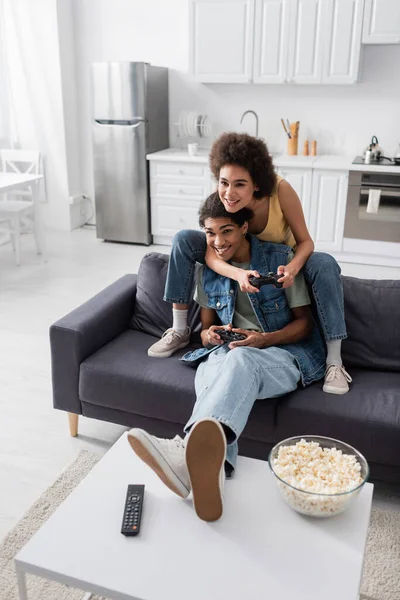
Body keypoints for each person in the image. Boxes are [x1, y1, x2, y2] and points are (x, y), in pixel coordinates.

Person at [127, 194, 326, 522]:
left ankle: (184, 449)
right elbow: (205, 330)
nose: (218, 242)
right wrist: (211, 334)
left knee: (239, 360)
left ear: (244, 227)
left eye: (227, 231)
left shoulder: (280, 259)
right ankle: (214, 472)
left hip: (284, 355)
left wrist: (263, 340)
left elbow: (304, 325)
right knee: (212, 369)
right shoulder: (210, 271)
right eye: (210, 233)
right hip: (227, 352)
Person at [147, 132, 351, 395]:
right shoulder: (223, 196)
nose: (229, 193)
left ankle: (334, 361)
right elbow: (211, 255)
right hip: (236, 259)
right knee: (184, 239)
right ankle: (179, 330)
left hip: (280, 260)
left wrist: (293, 268)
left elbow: (306, 242)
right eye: (224, 183)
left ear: (256, 184)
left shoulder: (280, 191)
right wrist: (237, 275)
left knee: (324, 263)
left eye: (239, 184)